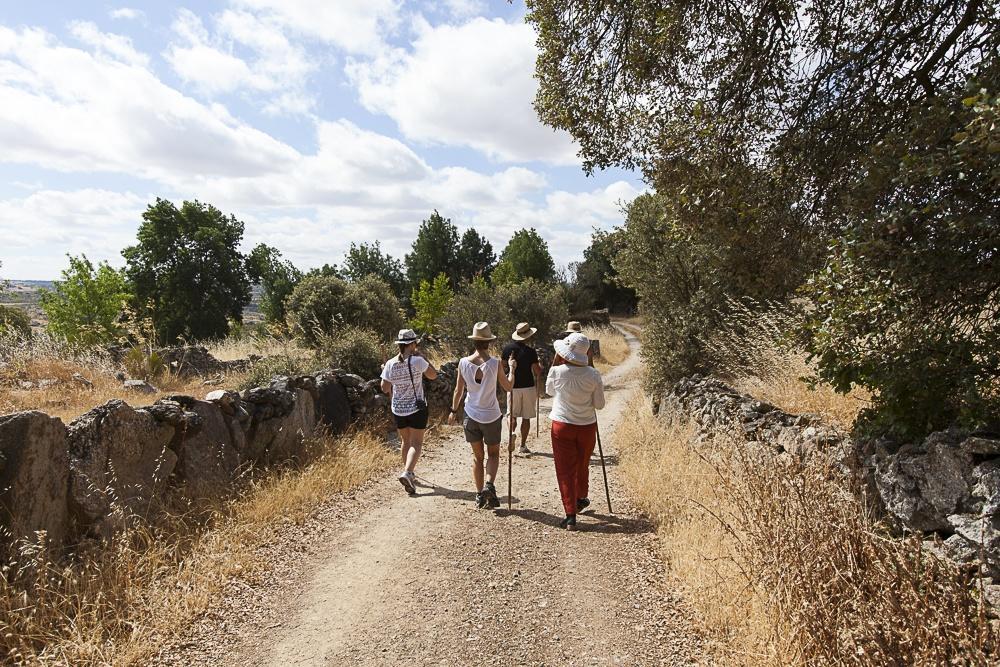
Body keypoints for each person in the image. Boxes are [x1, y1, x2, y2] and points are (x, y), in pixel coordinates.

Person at [447, 322, 515, 509]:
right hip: (491, 416)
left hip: (471, 414)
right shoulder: (494, 364)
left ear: (474, 342)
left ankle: (479, 495)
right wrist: (512, 369)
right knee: (493, 455)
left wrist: (453, 411)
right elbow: (508, 387)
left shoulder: (462, 363)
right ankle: (489, 485)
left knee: (477, 457)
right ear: (489, 343)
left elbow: (458, 391)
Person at [543, 331, 605, 530]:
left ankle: (570, 514)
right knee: (583, 463)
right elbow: (600, 405)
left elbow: (549, 392)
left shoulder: (557, 371)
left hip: (562, 425)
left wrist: (555, 362)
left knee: (565, 469)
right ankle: (581, 497)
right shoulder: (594, 375)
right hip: (586, 426)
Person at [381, 329, 438, 495]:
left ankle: (408, 472)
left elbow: (385, 388)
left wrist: (385, 371)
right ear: (412, 344)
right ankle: (408, 472)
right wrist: (424, 358)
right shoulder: (417, 361)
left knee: (405, 442)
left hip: (398, 408)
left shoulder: (391, 363)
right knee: (417, 443)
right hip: (416, 408)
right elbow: (433, 375)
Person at [501, 322, 542, 455]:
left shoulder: (507, 349)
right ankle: (523, 445)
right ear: (527, 336)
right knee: (526, 417)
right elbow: (537, 372)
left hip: (512, 386)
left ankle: (512, 433)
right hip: (528, 387)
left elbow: (502, 367)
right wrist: (540, 367)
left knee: (511, 414)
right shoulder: (530, 352)